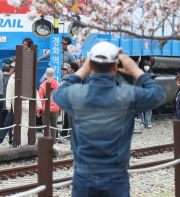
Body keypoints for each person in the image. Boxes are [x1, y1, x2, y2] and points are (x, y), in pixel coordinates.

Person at [53, 42, 166, 196]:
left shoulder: (77, 94)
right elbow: (159, 94)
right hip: (116, 176)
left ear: (90, 66)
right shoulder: (127, 94)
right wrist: (136, 70)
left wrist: (81, 72)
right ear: (115, 67)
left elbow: (57, 94)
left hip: (83, 175)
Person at [36, 68, 61, 143]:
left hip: (45, 108)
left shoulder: (42, 85)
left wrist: (38, 111)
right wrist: (60, 110)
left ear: (46, 76)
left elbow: (40, 99)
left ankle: (47, 143)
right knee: (53, 126)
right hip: (55, 108)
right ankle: (53, 143)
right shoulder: (58, 85)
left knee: (46, 126)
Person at [0, 62, 16, 145]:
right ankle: (10, 139)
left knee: (3, 122)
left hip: (2, 103)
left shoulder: (0, 79)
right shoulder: (12, 78)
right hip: (12, 103)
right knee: (10, 122)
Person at [0, 63, 12, 129]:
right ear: (10, 72)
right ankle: (10, 138)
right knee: (10, 124)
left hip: (0, 103)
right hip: (9, 105)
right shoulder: (12, 80)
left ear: (1, 71)